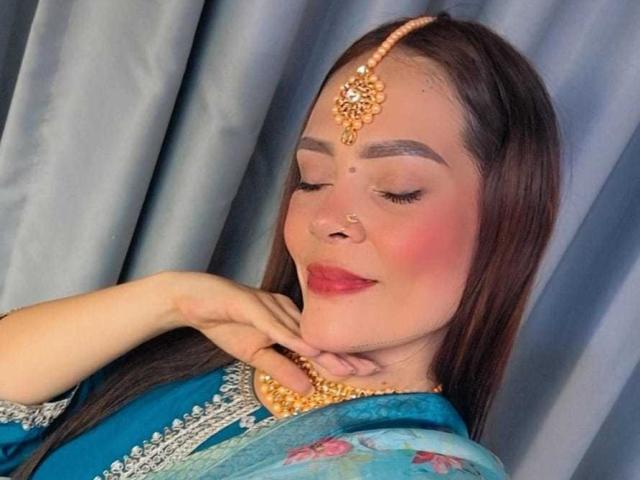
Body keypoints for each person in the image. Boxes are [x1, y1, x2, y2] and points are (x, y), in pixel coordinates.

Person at [0, 10, 560, 479]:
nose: (329, 219)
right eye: (312, 180)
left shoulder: (416, 469)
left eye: (397, 189)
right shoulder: (192, 355)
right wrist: (169, 299)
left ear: (507, 223)